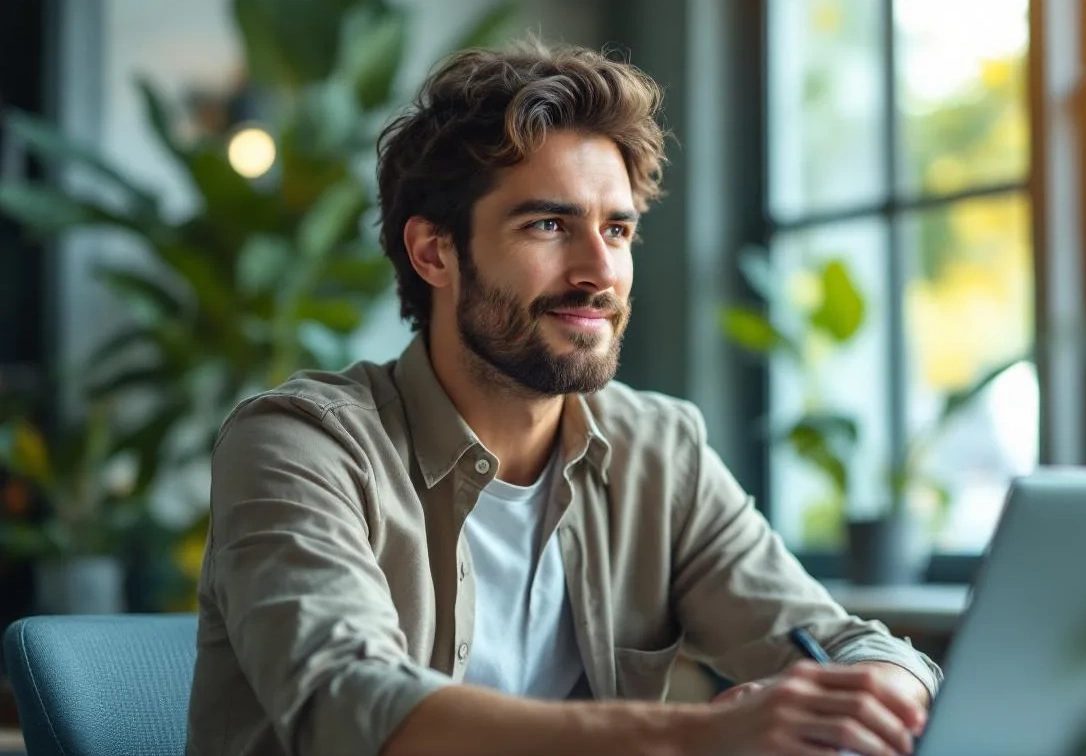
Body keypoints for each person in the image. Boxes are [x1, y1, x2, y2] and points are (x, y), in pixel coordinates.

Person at [186, 40, 941, 756]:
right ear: (433, 251)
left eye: (617, 229)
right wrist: (694, 738)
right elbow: (349, 704)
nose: (598, 271)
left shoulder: (659, 452)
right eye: (549, 224)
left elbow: (842, 643)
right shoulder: (300, 445)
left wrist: (876, 694)